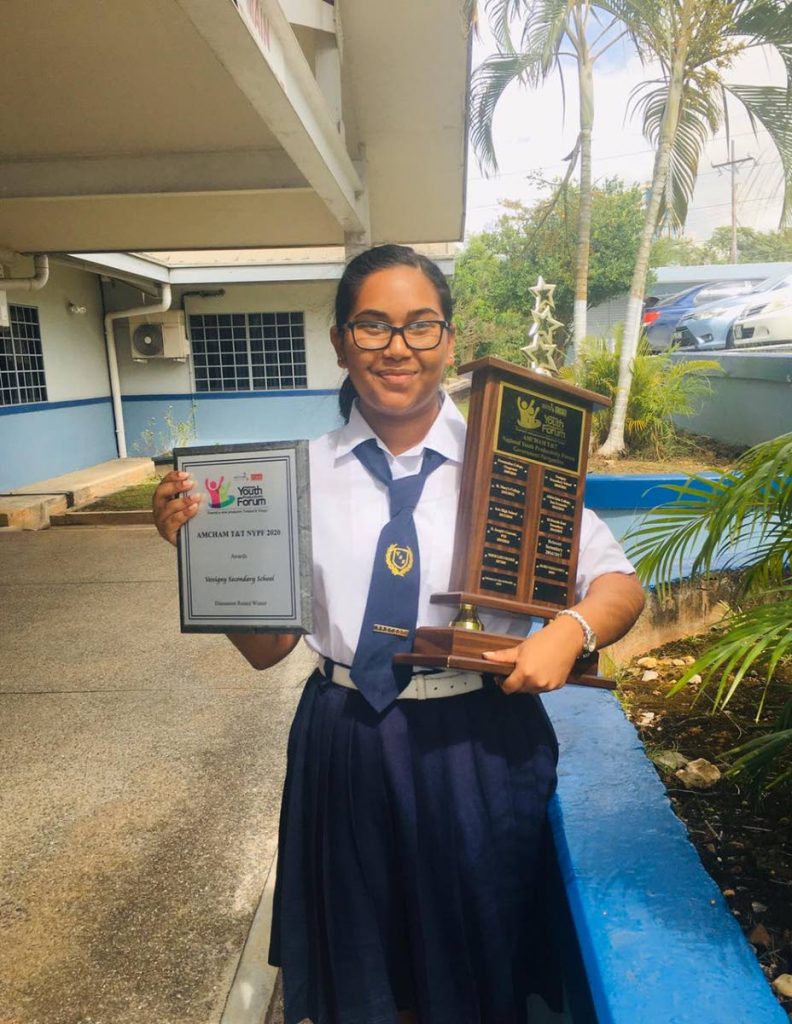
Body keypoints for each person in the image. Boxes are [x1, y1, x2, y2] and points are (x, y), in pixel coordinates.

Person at [153, 244, 645, 1024]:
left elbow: (619, 583)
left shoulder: (513, 461)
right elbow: (269, 649)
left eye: (420, 326)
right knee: (366, 972)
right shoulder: (293, 477)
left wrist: (572, 630)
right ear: (341, 341)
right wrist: (206, 553)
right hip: (344, 738)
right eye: (373, 325)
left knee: (478, 964)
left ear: (448, 340)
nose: (397, 347)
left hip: (479, 742)